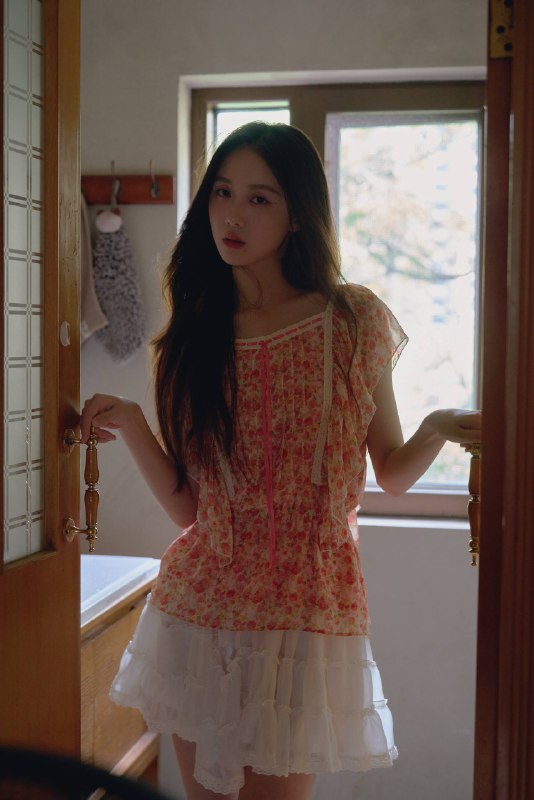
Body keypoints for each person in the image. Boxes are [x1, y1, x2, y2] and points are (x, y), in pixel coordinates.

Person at [80, 122, 481, 800]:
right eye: (223, 192)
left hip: (308, 614)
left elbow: (390, 473)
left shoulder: (352, 321)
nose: (233, 215)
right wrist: (133, 423)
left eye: (259, 198)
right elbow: (189, 509)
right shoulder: (190, 338)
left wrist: (438, 426)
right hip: (199, 610)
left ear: (298, 215)